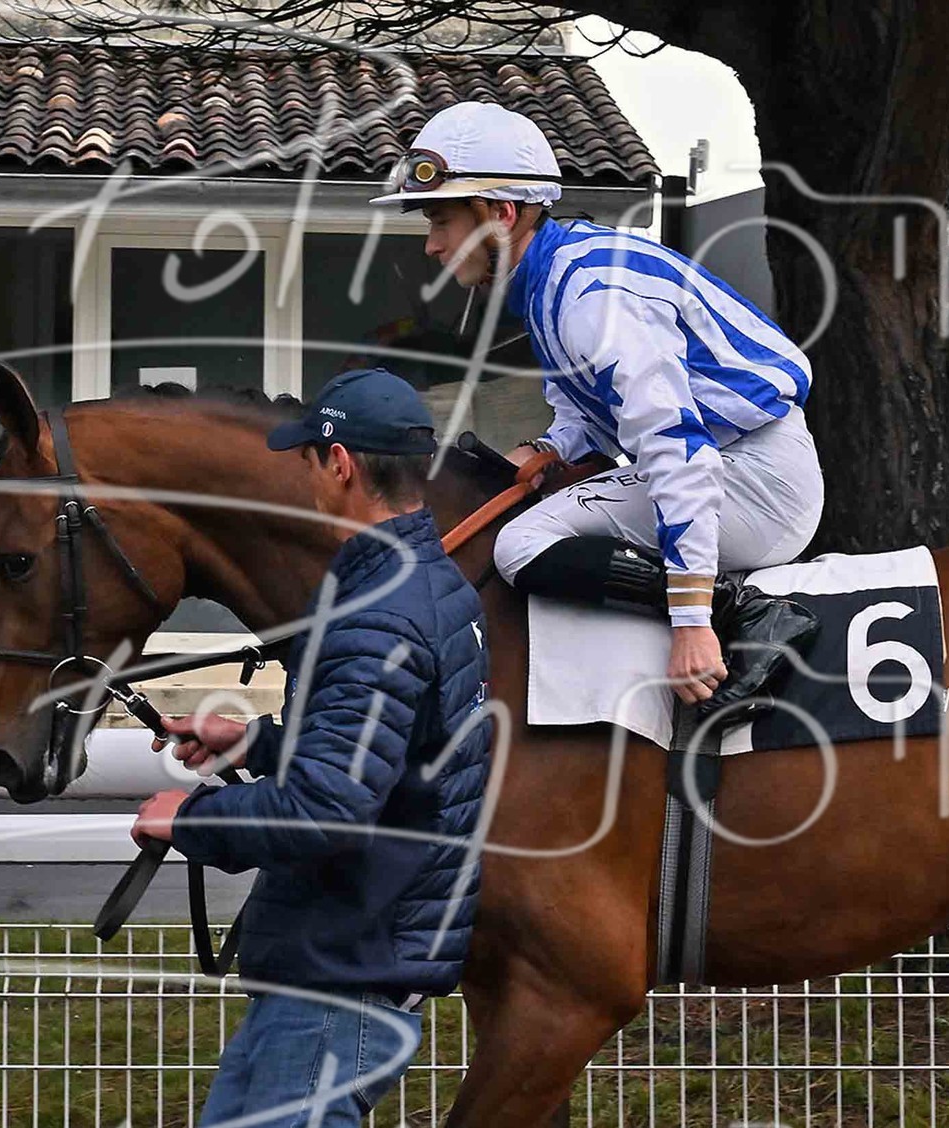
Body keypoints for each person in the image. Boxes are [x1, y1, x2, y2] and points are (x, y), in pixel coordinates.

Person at [370, 101, 825, 721]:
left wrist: (692, 621)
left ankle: (743, 613)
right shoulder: (553, 276)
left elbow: (676, 449)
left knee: (521, 544)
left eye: (441, 220)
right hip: (733, 460)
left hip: (753, 477)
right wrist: (548, 448)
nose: (431, 244)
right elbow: (587, 413)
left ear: (502, 213)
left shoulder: (590, 295)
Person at [129, 368, 492, 1126]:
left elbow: (327, 805)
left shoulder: (379, 613)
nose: (306, 479)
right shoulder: (430, 585)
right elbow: (397, 754)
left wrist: (188, 821)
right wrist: (255, 741)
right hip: (339, 963)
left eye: (308, 461)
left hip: (340, 979)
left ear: (341, 464)